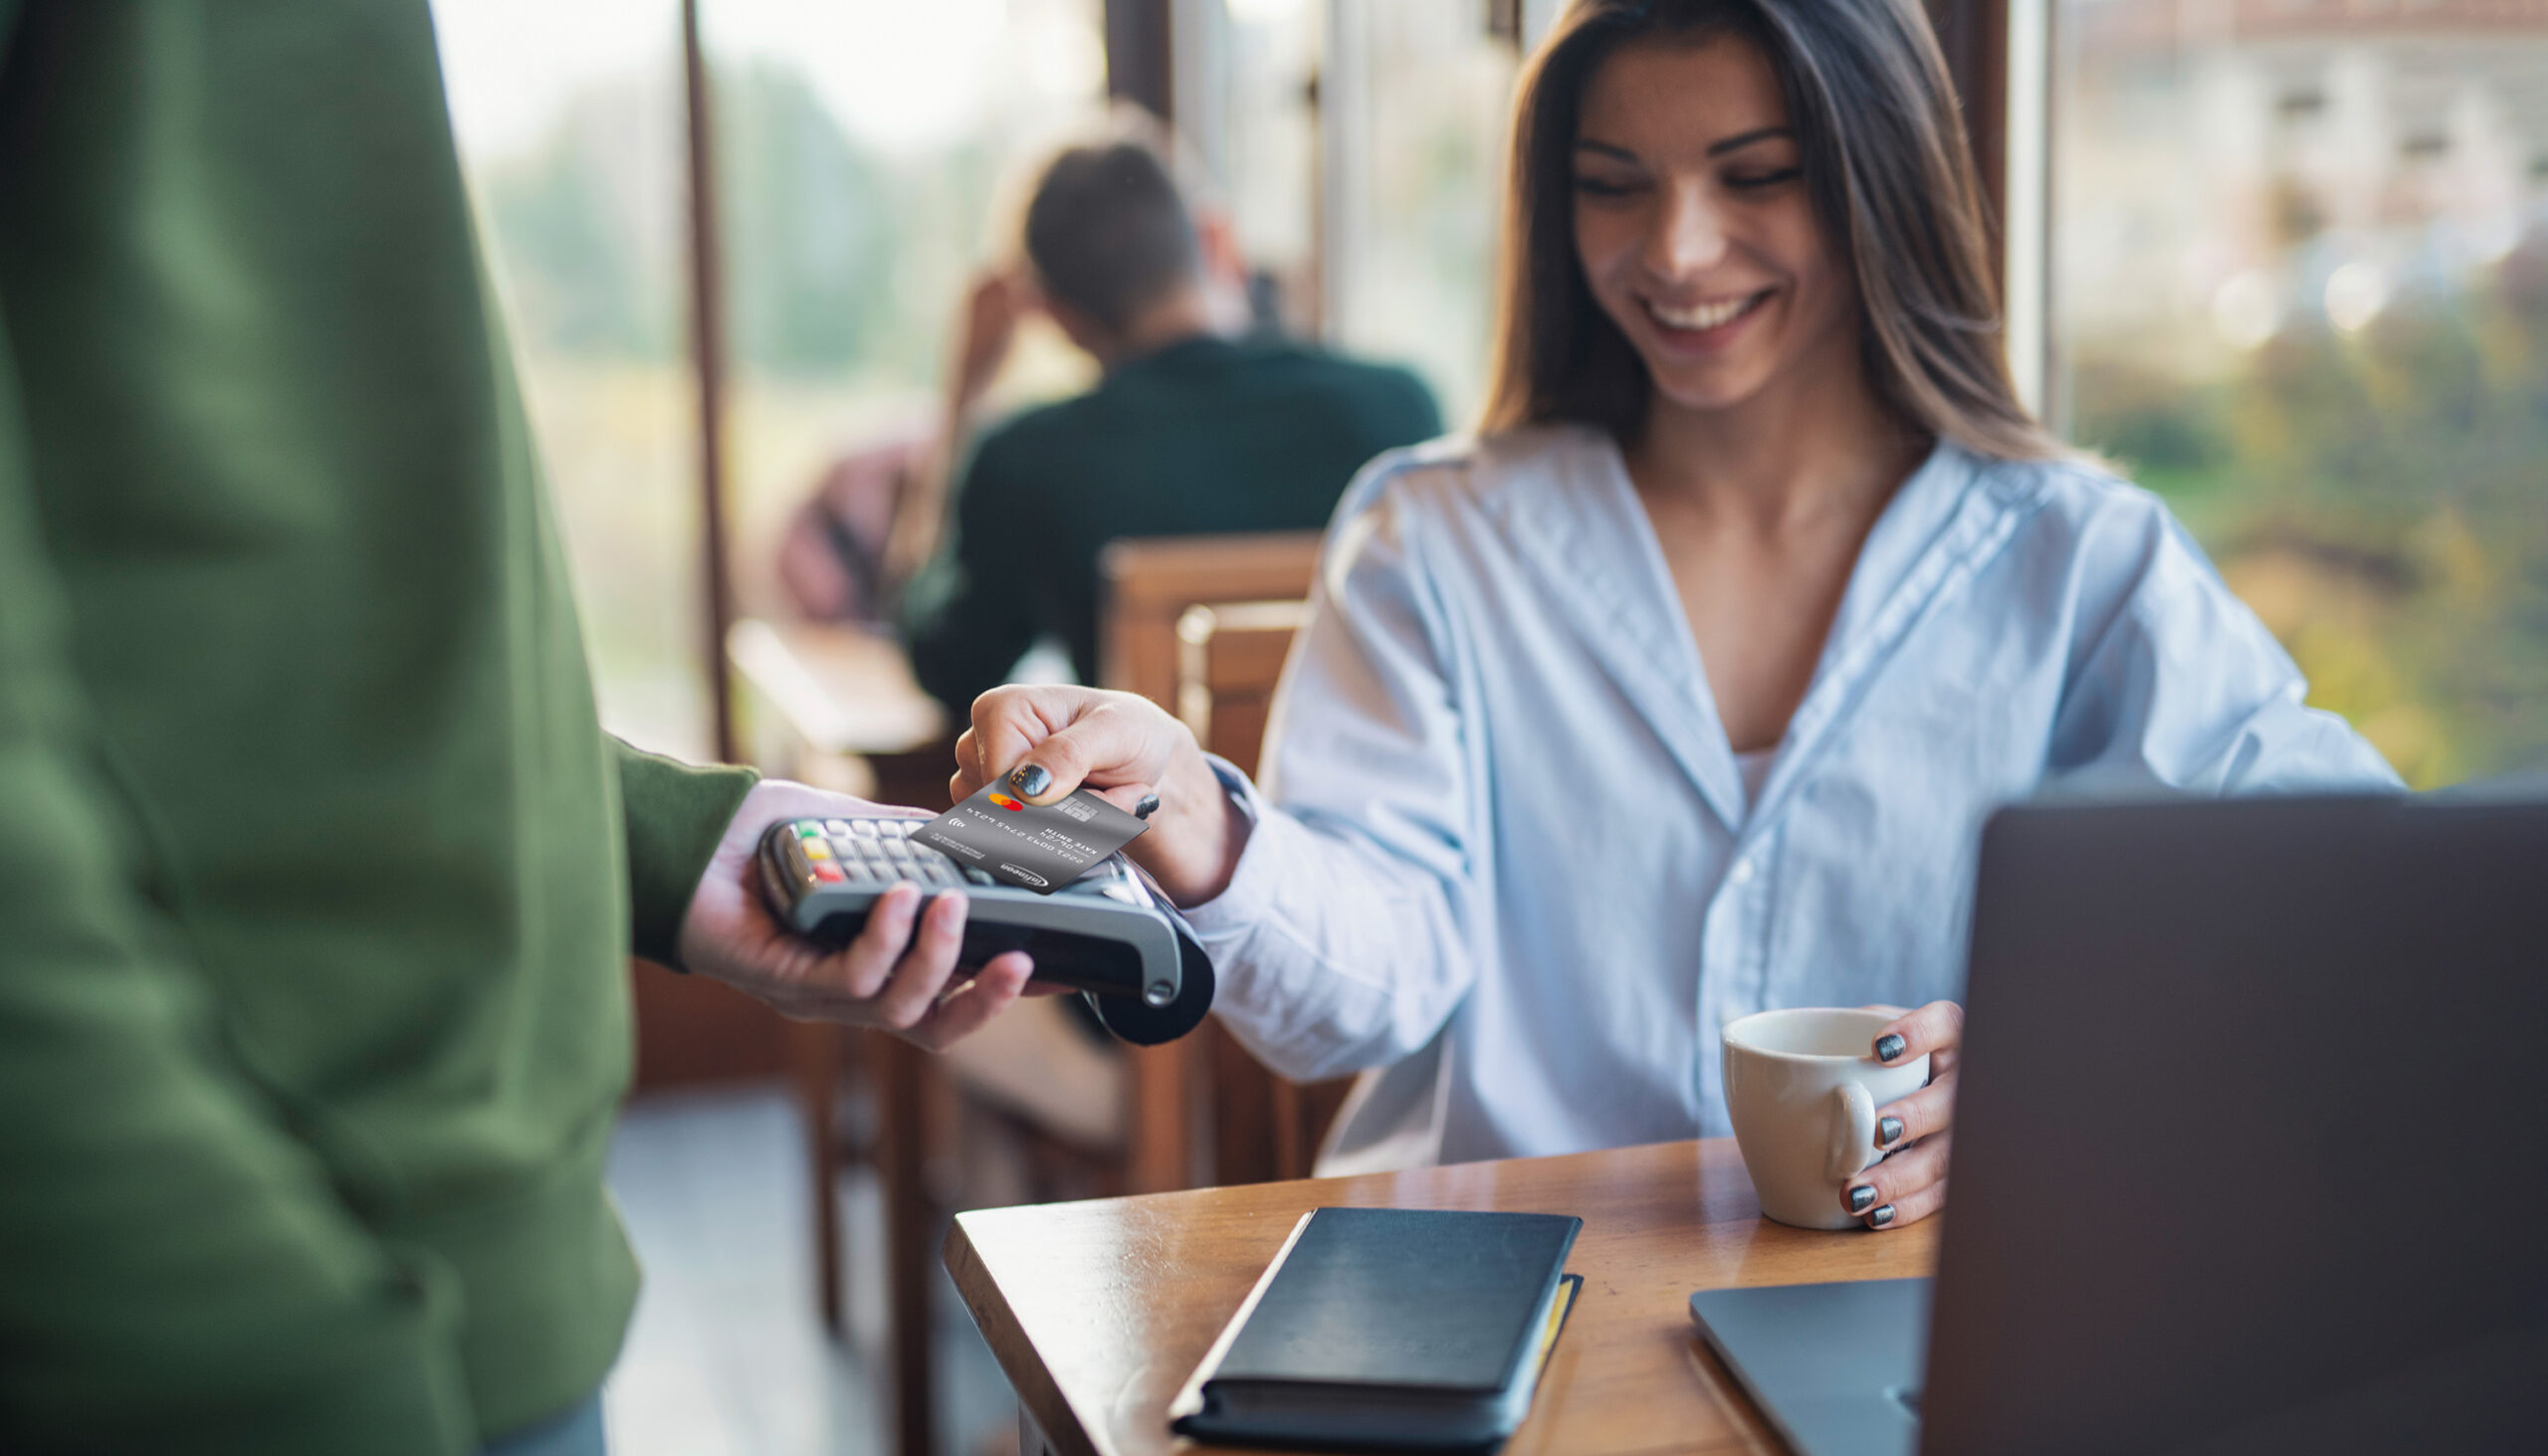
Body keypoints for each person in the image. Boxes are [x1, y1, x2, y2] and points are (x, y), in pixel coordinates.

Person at [951, 0, 2402, 1234]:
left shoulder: (2079, 557)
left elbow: (2358, 908)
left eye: (1754, 173)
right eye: (1611, 182)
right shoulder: (1436, 534)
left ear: (1878, 179)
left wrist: (2071, 1060)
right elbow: (1367, 990)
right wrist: (1204, 821)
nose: (1677, 252)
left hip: (1916, 1314)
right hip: (1498, 1304)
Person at [0, 7, 1050, 1454]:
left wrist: (665, 841)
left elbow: (318, 616)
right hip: (283, 1310)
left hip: (450, 1265)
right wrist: (260, 1363)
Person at [897, 129, 1443, 713]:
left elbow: (951, 670)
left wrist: (962, 402)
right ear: (1218, 238)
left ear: (1051, 316)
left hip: (1155, 801)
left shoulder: (1027, 462)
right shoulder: (1399, 408)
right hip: (1370, 799)